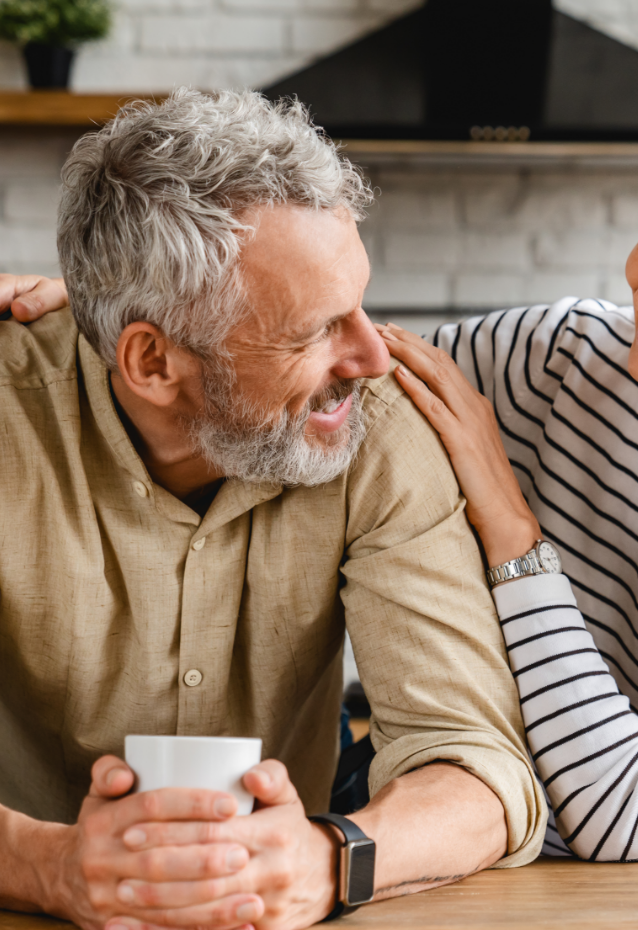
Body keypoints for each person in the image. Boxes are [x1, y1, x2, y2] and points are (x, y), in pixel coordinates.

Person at [11, 96, 638, 861]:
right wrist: (109, 313)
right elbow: (301, 363)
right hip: (487, 873)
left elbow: (631, 816)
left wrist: (512, 531)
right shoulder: (561, 357)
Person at [0, 87, 546, 930]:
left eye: (360, 304)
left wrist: (330, 860)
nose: (372, 356)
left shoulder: (378, 428)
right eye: (314, 330)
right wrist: (47, 868)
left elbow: (480, 774)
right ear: (151, 362)